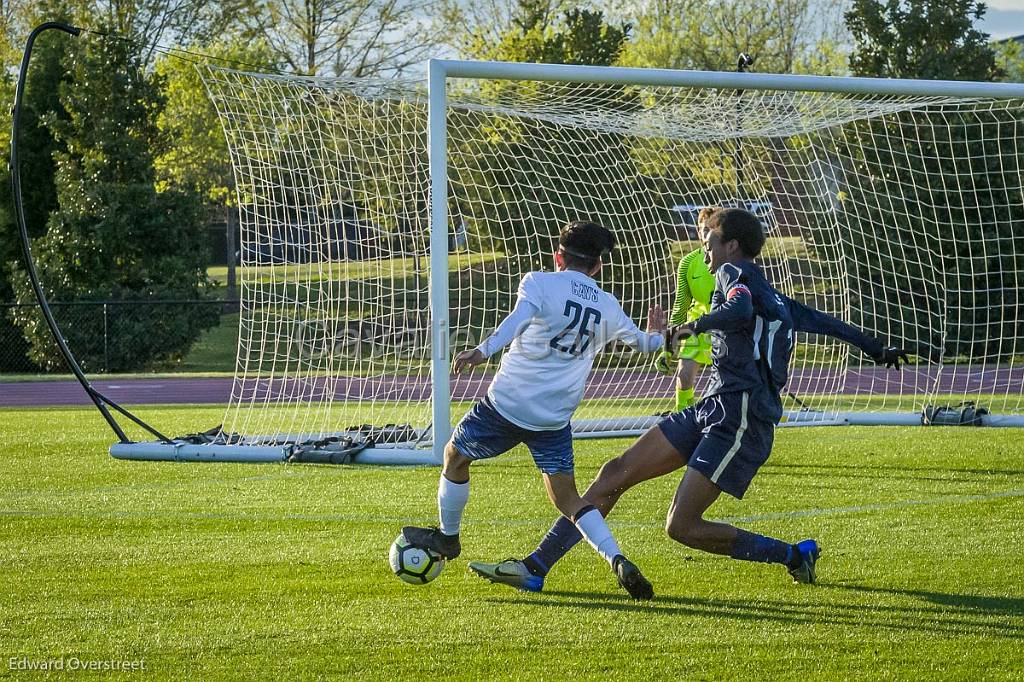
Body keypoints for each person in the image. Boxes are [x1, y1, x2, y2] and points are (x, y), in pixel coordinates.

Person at [469, 208, 908, 592]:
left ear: (732, 245)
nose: (704, 249)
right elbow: (824, 321)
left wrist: (697, 327)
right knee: (615, 472)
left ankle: (793, 555)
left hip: (741, 414)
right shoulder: (769, 290)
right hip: (713, 404)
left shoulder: (734, 277)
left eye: (709, 240)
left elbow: (737, 309)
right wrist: (876, 348)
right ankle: (534, 568)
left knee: (681, 527)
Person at [402, 220, 667, 599]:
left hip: (507, 406)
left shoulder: (539, 282)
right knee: (568, 499)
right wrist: (660, 332)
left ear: (558, 256)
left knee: (455, 456)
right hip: (553, 419)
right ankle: (616, 558)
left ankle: (448, 538)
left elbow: (517, 319)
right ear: (598, 267)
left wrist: (482, 351)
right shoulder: (607, 305)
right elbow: (645, 344)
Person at [655, 206, 718, 411]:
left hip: (729, 323)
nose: (706, 233)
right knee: (684, 374)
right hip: (697, 323)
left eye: (712, 229)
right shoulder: (688, 262)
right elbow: (680, 307)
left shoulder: (734, 259)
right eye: (703, 229)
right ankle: (682, 414)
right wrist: (667, 348)